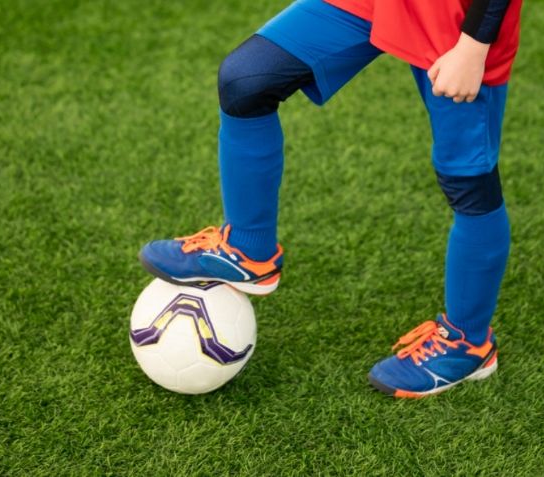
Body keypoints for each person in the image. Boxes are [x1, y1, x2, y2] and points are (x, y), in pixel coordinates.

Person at [139, 0, 522, 398]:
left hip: (455, 21)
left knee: (468, 182)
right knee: (246, 81)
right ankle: (247, 249)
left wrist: (474, 45)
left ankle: (467, 342)